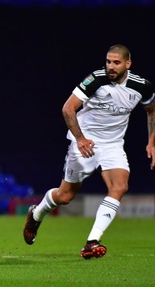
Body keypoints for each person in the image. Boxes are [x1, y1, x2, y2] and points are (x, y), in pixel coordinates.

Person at [23, 44, 155, 259]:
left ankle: (92, 242)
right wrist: (80, 138)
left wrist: (152, 140)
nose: (110, 66)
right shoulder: (96, 79)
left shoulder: (141, 86)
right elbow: (68, 108)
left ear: (128, 64)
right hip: (86, 141)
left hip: (113, 144)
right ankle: (36, 213)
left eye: (116, 62)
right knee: (65, 196)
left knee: (119, 186)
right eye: (108, 61)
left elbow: (152, 110)